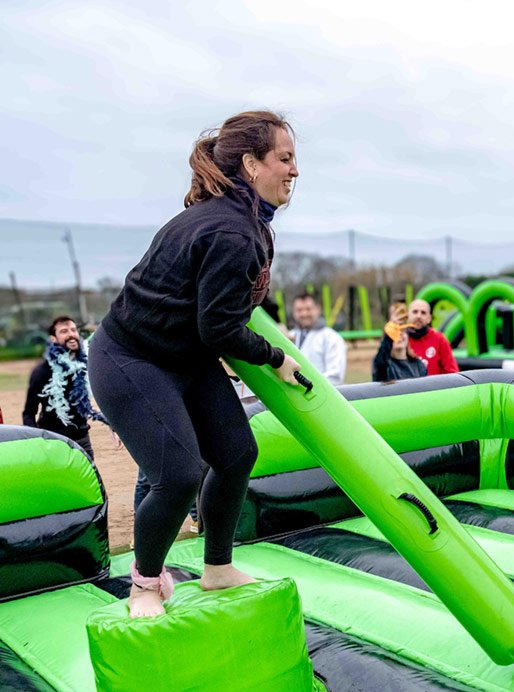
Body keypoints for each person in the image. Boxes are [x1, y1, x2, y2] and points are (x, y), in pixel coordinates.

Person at [89, 110, 302, 617]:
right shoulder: (231, 230)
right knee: (178, 474)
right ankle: (144, 586)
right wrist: (275, 358)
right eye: (285, 159)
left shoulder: (243, 222)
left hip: (185, 357)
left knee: (235, 453)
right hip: (130, 359)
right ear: (251, 165)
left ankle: (218, 568)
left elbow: (215, 319)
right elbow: (220, 330)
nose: (295, 171)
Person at [23, 316, 106, 459]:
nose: (71, 334)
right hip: (54, 442)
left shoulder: (84, 366)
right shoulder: (42, 371)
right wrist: (35, 441)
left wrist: (111, 427)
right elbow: (29, 413)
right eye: (64, 331)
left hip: (82, 439)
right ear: (53, 339)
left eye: (73, 330)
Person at [291, 293, 347, 386]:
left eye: (308, 309)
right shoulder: (288, 336)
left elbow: (335, 375)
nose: (304, 314)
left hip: (320, 396)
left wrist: (308, 385)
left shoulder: (331, 337)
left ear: (318, 309)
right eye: (299, 310)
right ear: (293, 312)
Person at [405, 299, 460, 375]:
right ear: (407, 316)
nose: (418, 316)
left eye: (423, 313)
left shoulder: (439, 339)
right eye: (415, 312)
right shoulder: (400, 340)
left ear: (429, 319)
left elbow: (452, 372)